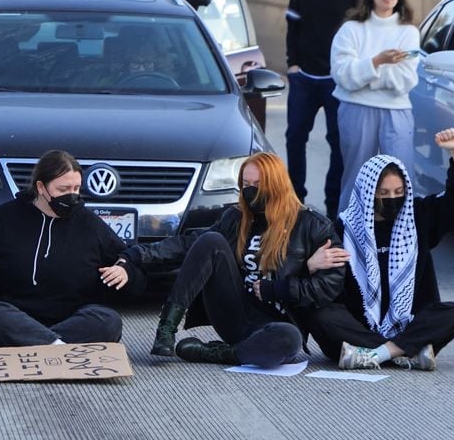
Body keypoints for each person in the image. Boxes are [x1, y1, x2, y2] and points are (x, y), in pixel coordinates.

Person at [132, 152, 346, 368]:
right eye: (246, 185)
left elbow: (329, 287)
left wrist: (282, 287)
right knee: (211, 240)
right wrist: (138, 255)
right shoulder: (236, 217)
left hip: (277, 325)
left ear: (277, 185)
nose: (251, 191)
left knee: (289, 339)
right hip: (235, 311)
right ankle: (166, 329)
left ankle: (219, 353)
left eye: (258, 185)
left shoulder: (313, 225)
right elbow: (190, 244)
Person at [305, 130, 454, 370]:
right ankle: (407, 351)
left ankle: (376, 354)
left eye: (398, 192)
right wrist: (311, 265)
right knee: (321, 315)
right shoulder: (343, 229)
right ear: (367, 193)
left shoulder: (417, 217)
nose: (392, 199)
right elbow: (319, 287)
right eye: (383, 194)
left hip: (409, 325)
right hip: (359, 329)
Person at [0, 150, 145, 347]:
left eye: (76, 188)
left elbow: (131, 271)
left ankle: (30, 343)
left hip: (73, 319)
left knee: (109, 321)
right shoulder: (2, 218)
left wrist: (125, 272)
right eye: (63, 189)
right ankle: (57, 346)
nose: (72, 195)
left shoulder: (90, 225)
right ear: (41, 187)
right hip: (16, 316)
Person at [283, 0, 366, 219]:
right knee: (295, 137)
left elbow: (362, 34)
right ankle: (295, 202)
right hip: (304, 77)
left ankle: (334, 207)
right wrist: (292, 64)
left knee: (339, 142)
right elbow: (292, 27)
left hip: (338, 81)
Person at [330, 0, 420, 212]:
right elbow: (342, 75)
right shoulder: (351, 29)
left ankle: (402, 230)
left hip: (397, 111)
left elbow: (405, 80)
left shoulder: (409, 32)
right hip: (356, 109)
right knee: (356, 174)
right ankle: (348, 228)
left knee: (400, 176)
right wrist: (378, 61)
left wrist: (365, 73)